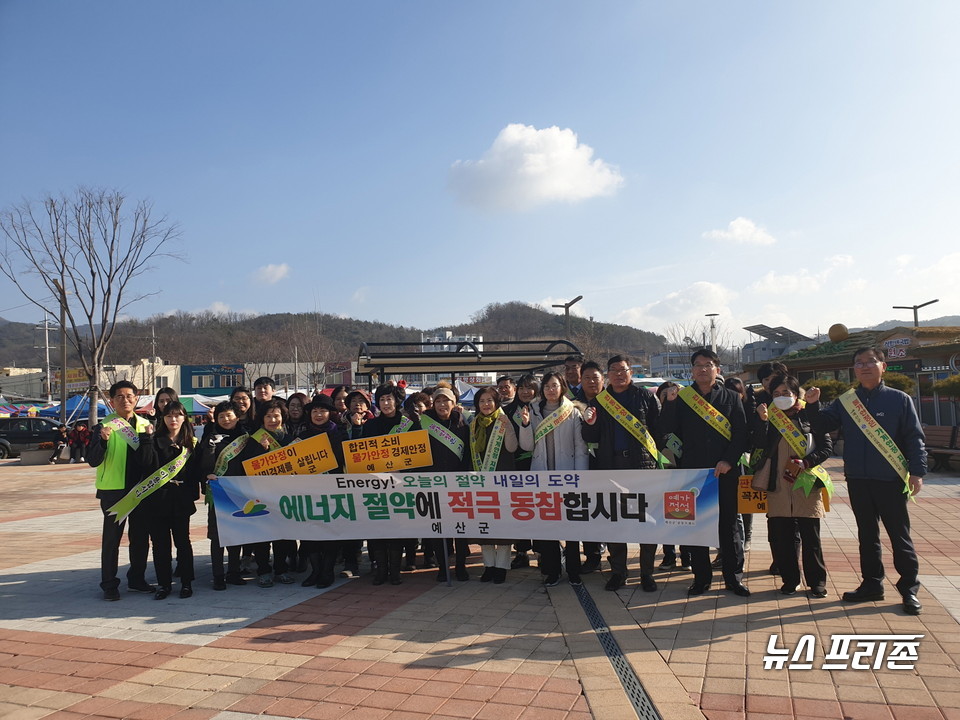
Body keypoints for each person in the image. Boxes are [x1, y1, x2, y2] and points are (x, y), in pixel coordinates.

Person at [807, 346, 925, 615]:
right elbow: (822, 425)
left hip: (890, 480)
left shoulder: (900, 399)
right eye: (859, 363)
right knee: (867, 536)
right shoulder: (847, 401)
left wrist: (917, 472)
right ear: (854, 369)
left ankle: (909, 589)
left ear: (883, 366)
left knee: (899, 536)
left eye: (871, 361)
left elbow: (914, 438)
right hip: (858, 479)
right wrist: (812, 405)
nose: (864, 366)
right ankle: (872, 584)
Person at [659, 348, 749, 597]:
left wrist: (729, 460)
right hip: (693, 473)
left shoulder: (731, 397)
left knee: (728, 526)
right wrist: (670, 403)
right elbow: (666, 428)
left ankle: (733, 578)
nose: (702, 369)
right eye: (697, 365)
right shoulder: (683, 397)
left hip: (725, 472)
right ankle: (701, 578)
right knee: (696, 527)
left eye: (708, 364)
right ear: (692, 370)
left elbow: (741, 433)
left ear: (717, 369)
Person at [582, 355, 662, 592]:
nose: (618, 374)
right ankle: (618, 572)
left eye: (623, 369)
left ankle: (647, 573)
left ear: (630, 372)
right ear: (608, 374)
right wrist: (590, 423)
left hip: (642, 466)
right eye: (614, 370)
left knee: (646, 521)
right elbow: (590, 438)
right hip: (611, 466)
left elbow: (659, 432)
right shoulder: (600, 401)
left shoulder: (646, 397)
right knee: (615, 520)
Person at [752, 374, 832, 597]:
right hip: (777, 482)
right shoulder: (768, 414)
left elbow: (826, 447)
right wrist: (761, 422)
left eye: (786, 393)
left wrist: (806, 462)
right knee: (782, 536)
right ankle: (790, 580)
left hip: (805, 481)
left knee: (811, 537)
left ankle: (817, 582)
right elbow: (758, 445)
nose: (781, 397)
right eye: (776, 394)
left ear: (797, 394)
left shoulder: (809, 413)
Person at [87, 380, 155, 601]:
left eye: (129, 396)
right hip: (114, 491)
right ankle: (109, 584)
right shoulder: (103, 426)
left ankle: (136, 579)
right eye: (120, 396)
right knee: (112, 540)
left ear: (136, 399)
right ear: (112, 400)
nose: (125, 400)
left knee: (140, 538)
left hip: (141, 490)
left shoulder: (146, 425)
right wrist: (103, 441)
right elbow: (92, 460)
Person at [519, 372, 587, 586]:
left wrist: (579, 477)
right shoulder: (533, 410)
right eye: (547, 385)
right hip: (542, 476)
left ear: (562, 387)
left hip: (567, 476)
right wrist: (525, 425)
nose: (550, 389)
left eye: (554, 385)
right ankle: (552, 571)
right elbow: (527, 446)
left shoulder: (572, 412)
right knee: (548, 527)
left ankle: (574, 571)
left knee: (572, 527)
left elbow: (580, 446)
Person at [142, 400, 200, 600]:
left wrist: (193, 495)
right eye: (168, 416)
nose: (173, 419)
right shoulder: (155, 440)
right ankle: (164, 585)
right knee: (160, 544)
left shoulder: (191, 443)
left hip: (181, 500)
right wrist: (147, 440)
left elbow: (195, 473)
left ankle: (186, 583)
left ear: (184, 418)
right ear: (162, 418)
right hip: (158, 500)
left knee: (183, 542)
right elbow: (146, 465)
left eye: (177, 415)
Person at [363, 383, 417, 585]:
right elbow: (361, 456)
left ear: (397, 401)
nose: (386, 403)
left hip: (400, 483)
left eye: (389, 399)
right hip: (375, 483)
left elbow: (417, 453)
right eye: (382, 399)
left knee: (396, 528)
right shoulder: (370, 426)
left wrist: (402, 469)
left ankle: (395, 572)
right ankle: (380, 570)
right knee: (377, 527)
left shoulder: (409, 424)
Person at [470, 385, 522, 584]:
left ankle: (501, 567)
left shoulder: (504, 420)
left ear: (496, 402)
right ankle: (488, 565)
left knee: (503, 527)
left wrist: (508, 425)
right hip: (480, 482)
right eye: (481, 401)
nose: (486, 404)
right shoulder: (474, 424)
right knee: (484, 526)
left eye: (489, 400)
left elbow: (512, 447)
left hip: (503, 481)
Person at [296, 394, 348, 589]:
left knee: (330, 532)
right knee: (310, 533)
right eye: (315, 411)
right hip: (309, 491)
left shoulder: (339, 433)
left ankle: (327, 571)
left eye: (323, 411)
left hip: (333, 490)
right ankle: (315, 571)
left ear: (330, 413)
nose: (318, 414)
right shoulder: (303, 436)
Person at [421, 385, 473, 581]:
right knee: (438, 529)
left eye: (446, 401)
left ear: (454, 403)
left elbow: (467, 455)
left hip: (457, 483)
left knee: (459, 528)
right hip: (432, 482)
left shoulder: (463, 426)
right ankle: (443, 568)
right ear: (433, 404)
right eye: (438, 401)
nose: (442, 404)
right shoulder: (424, 424)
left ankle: (460, 566)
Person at [196, 400, 247, 590]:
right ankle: (218, 575)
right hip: (218, 492)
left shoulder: (245, 436)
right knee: (217, 536)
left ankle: (233, 572)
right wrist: (209, 449)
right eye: (221, 416)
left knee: (236, 534)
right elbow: (202, 464)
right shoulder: (210, 437)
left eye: (229, 415)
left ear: (237, 416)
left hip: (240, 491)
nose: (226, 419)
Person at [504, 374, 538, 568]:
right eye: (522, 388)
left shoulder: (543, 409)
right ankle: (522, 551)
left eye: (530, 388)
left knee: (541, 509)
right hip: (516, 465)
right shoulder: (508, 410)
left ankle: (543, 550)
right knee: (521, 509)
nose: (526, 392)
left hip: (539, 464)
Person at [656, 381, 690, 572]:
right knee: (665, 517)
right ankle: (669, 556)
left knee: (685, 514)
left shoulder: (686, 416)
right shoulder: (657, 416)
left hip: (684, 471)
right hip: (663, 472)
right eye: (664, 395)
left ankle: (687, 556)